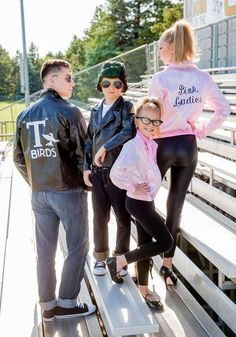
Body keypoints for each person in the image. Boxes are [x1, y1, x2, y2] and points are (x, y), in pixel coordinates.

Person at [148, 20, 231, 287]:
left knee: (144, 199)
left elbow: (150, 117)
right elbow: (224, 109)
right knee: (176, 204)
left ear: (171, 47)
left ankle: (145, 256)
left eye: (161, 48)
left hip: (162, 143)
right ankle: (167, 264)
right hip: (187, 144)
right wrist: (202, 130)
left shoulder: (160, 79)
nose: (160, 53)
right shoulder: (202, 77)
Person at [13, 59, 96, 322]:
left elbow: (17, 158)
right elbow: (85, 154)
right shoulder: (70, 112)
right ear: (52, 80)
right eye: (68, 78)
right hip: (68, 190)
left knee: (45, 251)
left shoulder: (24, 115)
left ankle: (47, 305)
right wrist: (86, 186)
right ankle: (67, 303)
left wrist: (38, 182)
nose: (73, 82)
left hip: (40, 194)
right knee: (78, 247)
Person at [108, 97, 173, 311]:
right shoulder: (132, 146)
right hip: (137, 203)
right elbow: (115, 173)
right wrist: (133, 186)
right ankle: (118, 262)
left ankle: (144, 289)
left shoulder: (150, 144)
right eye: (146, 119)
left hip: (146, 201)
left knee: (145, 244)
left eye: (156, 122)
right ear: (136, 120)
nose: (151, 125)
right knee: (165, 242)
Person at [83, 61, 135, 276]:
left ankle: (121, 258)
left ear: (123, 86)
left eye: (117, 83)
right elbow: (88, 140)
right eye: (106, 83)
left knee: (122, 217)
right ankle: (100, 257)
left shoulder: (126, 107)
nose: (111, 87)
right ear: (100, 85)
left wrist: (105, 146)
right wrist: (86, 167)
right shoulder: (95, 109)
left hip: (118, 170)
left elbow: (128, 132)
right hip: (97, 172)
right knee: (99, 217)